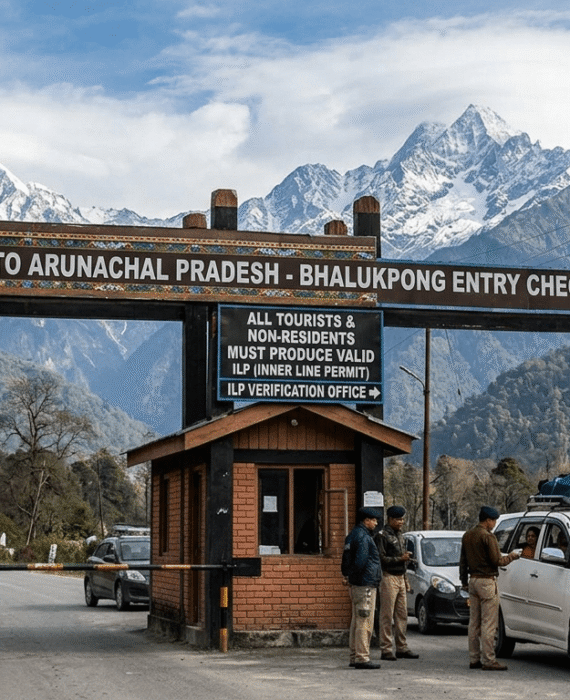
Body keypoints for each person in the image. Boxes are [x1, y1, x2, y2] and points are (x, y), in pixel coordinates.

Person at [460, 506, 520, 671]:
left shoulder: (468, 535)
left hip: (473, 581)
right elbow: (497, 561)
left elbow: (463, 561)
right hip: (487, 581)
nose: (494, 523)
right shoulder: (488, 537)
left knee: (474, 623)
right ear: (488, 520)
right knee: (489, 623)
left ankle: (474, 658)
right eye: (493, 520)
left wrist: (464, 580)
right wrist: (512, 556)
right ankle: (488, 660)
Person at [375, 505, 419, 661]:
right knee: (387, 615)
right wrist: (400, 559)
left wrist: (406, 579)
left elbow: (403, 560)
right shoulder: (382, 536)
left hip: (400, 576)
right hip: (388, 577)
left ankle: (402, 647)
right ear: (391, 519)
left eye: (402, 519)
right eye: (399, 519)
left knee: (402, 614)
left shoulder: (400, 535)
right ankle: (386, 648)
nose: (401, 522)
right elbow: (381, 559)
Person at [341, 507, 382, 670]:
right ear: (366, 520)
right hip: (365, 584)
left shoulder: (352, 535)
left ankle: (354, 655)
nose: (376, 523)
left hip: (357, 584)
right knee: (365, 621)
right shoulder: (364, 537)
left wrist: (348, 576)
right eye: (374, 520)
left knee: (356, 621)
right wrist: (354, 575)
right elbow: (360, 561)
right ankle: (362, 657)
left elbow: (346, 561)